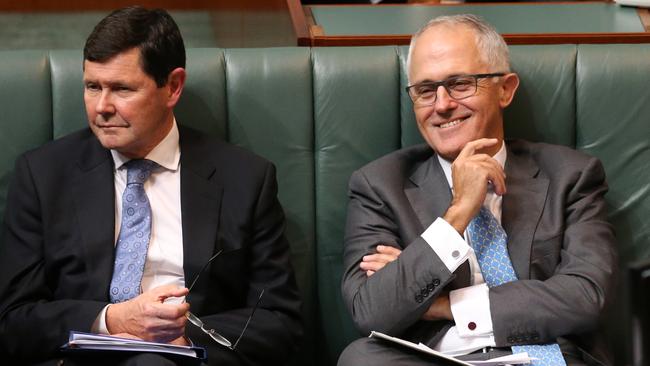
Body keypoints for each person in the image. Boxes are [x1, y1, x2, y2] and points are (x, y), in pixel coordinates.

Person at [0, 6, 301, 366]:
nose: (101, 107)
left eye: (122, 89)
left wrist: (184, 334)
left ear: (172, 87)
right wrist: (112, 320)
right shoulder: (43, 175)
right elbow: (12, 320)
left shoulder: (245, 179)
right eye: (92, 87)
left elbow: (279, 322)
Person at [338, 14, 616, 366]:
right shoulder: (378, 185)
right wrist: (457, 213)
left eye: (460, 83)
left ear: (505, 89)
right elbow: (372, 311)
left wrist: (445, 305)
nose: (441, 105)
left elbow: (586, 297)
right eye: (425, 90)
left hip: (547, 355)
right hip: (436, 359)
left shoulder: (571, 176)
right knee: (360, 359)